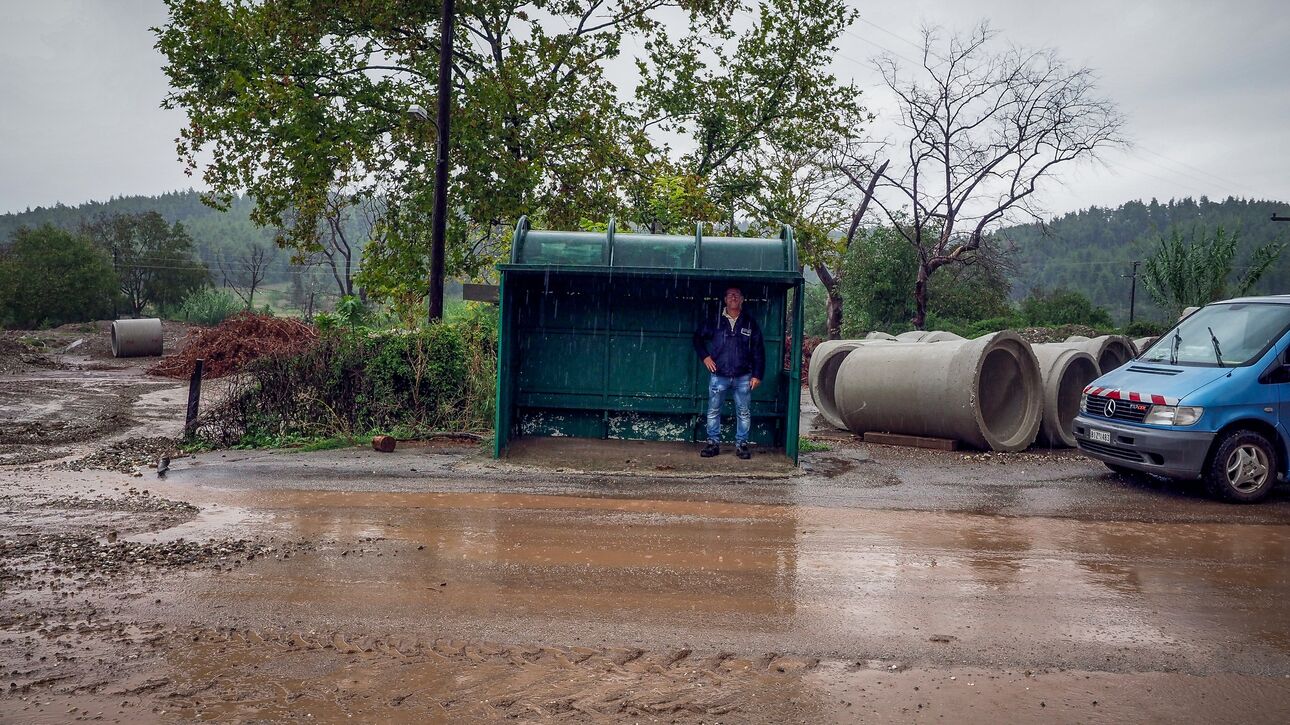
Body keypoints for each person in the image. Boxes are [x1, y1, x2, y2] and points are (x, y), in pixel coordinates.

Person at [693, 286, 764, 459]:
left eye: (737, 295)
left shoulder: (749, 322)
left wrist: (757, 375)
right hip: (719, 376)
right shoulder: (715, 320)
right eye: (730, 295)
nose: (733, 297)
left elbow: (758, 350)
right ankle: (712, 444)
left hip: (743, 377)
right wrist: (705, 357)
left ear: (741, 299)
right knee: (713, 410)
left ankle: (742, 445)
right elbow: (697, 338)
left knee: (744, 412)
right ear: (725, 299)